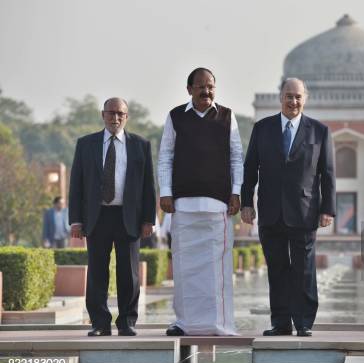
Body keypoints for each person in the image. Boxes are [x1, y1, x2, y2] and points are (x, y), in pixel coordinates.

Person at [241, 78, 336, 337]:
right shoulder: (263, 128)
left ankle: (304, 322)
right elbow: (250, 169)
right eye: (288, 96)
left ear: (305, 98)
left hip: (304, 211)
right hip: (271, 212)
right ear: (280, 97)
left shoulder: (319, 131)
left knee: (304, 268)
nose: (293, 101)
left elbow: (327, 174)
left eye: (297, 96)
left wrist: (328, 208)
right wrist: (247, 202)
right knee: (277, 268)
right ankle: (281, 323)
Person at [158, 67, 243, 336]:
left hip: (218, 204)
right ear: (189, 89)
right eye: (201, 87)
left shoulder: (227, 116)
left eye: (211, 87)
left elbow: (236, 157)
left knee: (217, 269)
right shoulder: (175, 117)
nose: (206, 92)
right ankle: (184, 322)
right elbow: (165, 156)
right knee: (185, 268)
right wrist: (166, 191)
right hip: (183, 204)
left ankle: (220, 323)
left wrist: (236, 191)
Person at [69, 98, 156, 337]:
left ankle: (127, 322)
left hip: (129, 217)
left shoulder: (140, 145)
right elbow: (76, 184)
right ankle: (99, 323)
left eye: (120, 114)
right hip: (97, 217)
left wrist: (149, 219)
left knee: (129, 272)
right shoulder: (86, 144)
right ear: (102, 115)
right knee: (97, 271)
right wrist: (76, 220)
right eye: (111, 113)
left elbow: (149, 185)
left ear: (127, 117)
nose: (115, 118)